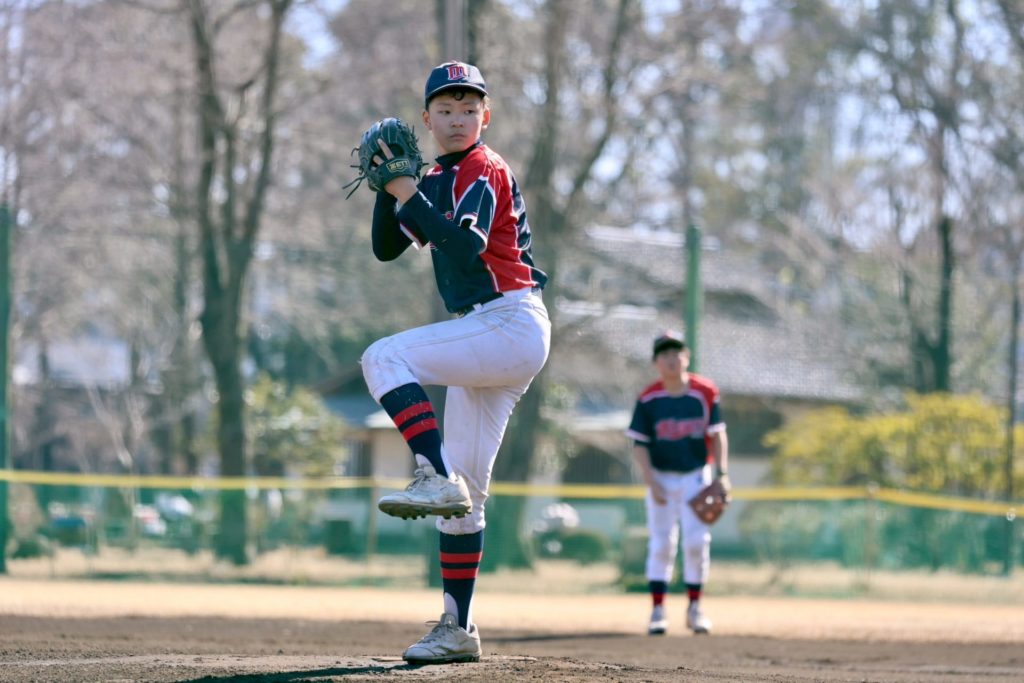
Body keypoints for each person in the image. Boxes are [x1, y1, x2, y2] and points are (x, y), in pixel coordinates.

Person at [359, 61, 551, 664]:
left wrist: (405, 191)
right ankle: (458, 628)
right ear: (427, 119)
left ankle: (432, 470)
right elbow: (386, 248)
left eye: (470, 108)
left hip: (508, 320)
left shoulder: (482, 167)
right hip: (491, 333)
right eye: (445, 109)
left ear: (485, 117)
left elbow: (466, 245)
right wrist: (386, 188)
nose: (458, 118)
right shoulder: (437, 177)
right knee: (465, 500)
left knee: (383, 356)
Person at [626, 330, 729, 636]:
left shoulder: (705, 391)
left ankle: (695, 608)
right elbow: (640, 445)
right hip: (660, 476)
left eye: (677, 353)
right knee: (662, 543)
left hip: (697, 475)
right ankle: (658, 610)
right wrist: (651, 481)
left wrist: (722, 474)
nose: (672, 359)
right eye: (665, 354)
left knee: (697, 542)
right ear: (656, 362)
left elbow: (718, 433)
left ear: (687, 357)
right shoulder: (649, 398)